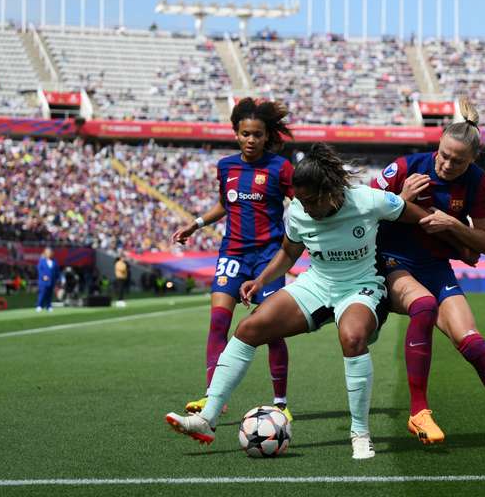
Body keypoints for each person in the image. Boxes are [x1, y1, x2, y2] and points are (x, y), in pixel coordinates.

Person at [165, 143, 431, 459]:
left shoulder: (368, 200)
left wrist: (456, 239)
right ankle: (206, 418)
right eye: (300, 200)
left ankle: (360, 434)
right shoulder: (298, 212)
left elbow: (423, 219)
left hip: (360, 286)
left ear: (331, 191)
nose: (305, 206)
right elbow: (289, 253)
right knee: (249, 327)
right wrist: (261, 280)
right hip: (316, 284)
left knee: (353, 337)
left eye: (311, 200)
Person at [371, 99, 485, 452]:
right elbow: (360, 211)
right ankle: (419, 410)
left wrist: (453, 224)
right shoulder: (405, 167)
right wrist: (399, 199)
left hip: (435, 268)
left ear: (472, 161)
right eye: (444, 155)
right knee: (422, 306)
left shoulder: (477, 183)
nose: (448, 164)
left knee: (472, 342)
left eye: (458, 161)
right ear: (437, 146)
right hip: (393, 262)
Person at [172, 99, 295, 419]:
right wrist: (195, 224)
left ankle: (281, 403)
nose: (251, 139)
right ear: (236, 134)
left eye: (257, 134)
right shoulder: (226, 167)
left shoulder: (280, 168)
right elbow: (225, 205)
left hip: (269, 257)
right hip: (233, 253)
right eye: (245, 134)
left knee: (272, 329)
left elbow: (301, 205)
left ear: (267, 136)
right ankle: (214, 399)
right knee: (217, 323)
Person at [36, 247, 60, 312]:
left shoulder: (54, 261)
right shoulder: (42, 261)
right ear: (45, 253)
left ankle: (48, 306)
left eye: (50, 252)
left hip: (52, 281)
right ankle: (39, 306)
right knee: (42, 294)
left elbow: (57, 271)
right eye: (48, 252)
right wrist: (43, 276)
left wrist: (58, 279)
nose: (49, 254)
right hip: (43, 282)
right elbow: (39, 270)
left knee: (49, 294)